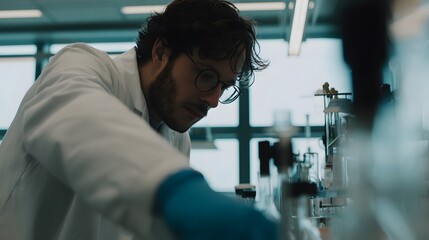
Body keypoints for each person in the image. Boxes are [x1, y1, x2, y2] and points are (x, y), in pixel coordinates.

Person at [0, 0, 278, 239]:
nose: (214, 100)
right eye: (206, 76)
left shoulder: (177, 138)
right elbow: (79, 118)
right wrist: (177, 190)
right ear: (161, 52)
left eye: (224, 87)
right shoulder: (82, 67)